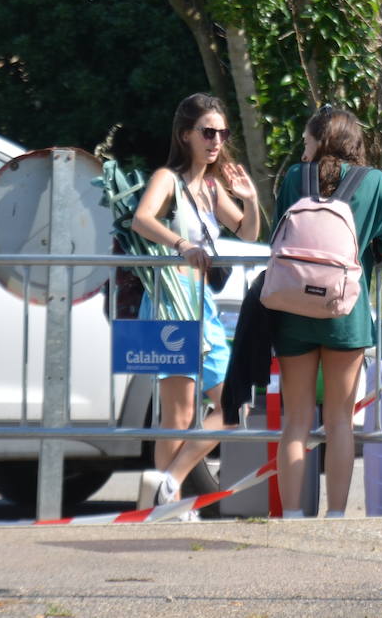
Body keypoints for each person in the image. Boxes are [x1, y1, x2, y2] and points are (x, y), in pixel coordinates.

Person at [273, 105, 382, 519]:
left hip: (291, 308)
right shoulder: (375, 183)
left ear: (321, 140)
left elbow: (277, 237)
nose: (304, 148)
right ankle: (336, 515)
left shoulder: (295, 177)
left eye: (307, 140)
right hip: (345, 312)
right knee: (339, 421)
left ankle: (293, 516)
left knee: (296, 420)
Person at [131, 93, 260, 513]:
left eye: (222, 133)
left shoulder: (211, 185)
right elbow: (142, 219)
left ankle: (169, 484)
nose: (216, 140)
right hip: (169, 301)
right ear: (186, 135)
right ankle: (166, 507)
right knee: (178, 413)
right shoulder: (167, 178)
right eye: (208, 132)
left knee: (233, 401)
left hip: (201, 302)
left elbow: (248, 234)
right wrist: (182, 243)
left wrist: (250, 199)